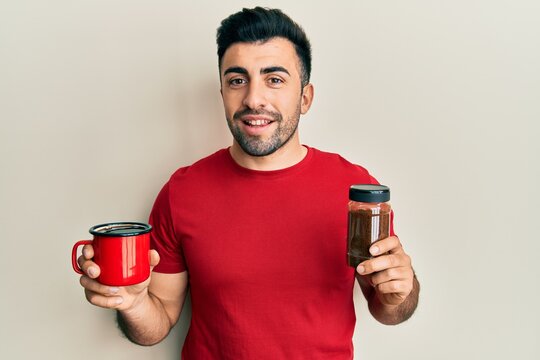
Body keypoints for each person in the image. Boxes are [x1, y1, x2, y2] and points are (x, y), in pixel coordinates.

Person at [78, 7, 419, 359]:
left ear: (305, 97)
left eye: (274, 79)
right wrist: (133, 304)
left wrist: (402, 291)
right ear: (223, 92)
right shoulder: (182, 192)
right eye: (237, 80)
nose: (254, 99)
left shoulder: (356, 191)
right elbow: (159, 319)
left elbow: (388, 307)